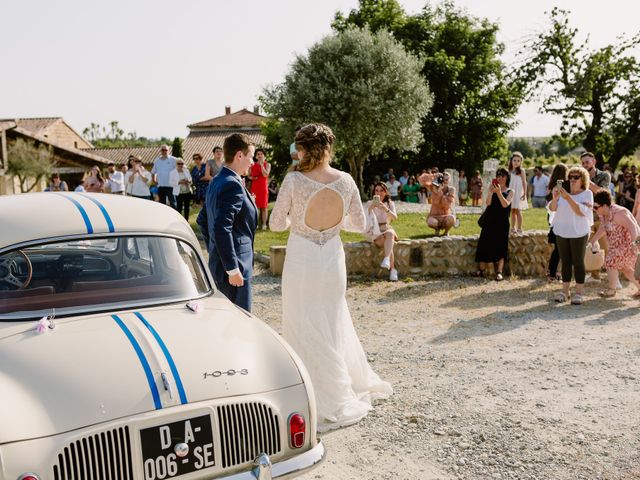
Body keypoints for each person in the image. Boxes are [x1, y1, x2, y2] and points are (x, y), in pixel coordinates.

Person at [269, 123, 392, 432]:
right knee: (332, 319)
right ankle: (339, 390)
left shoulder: (294, 181)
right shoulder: (346, 181)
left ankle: (311, 392)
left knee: (302, 321)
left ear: (304, 150)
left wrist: (295, 219)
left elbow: (274, 225)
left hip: (302, 258)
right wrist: (331, 223)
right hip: (332, 259)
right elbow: (358, 225)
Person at [206, 133, 257, 312]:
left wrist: (214, 248)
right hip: (235, 270)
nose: (252, 162)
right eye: (250, 157)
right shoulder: (232, 184)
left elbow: (203, 220)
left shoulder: (216, 181)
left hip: (221, 265)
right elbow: (221, 227)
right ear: (239, 155)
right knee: (238, 323)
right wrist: (232, 268)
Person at [549, 166, 593, 305]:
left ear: (583, 179)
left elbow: (580, 212)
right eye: (571, 177)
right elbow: (552, 209)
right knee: (565, 261)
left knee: (578, 262)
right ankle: (565, 291)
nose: (573, 180)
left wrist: (567, 198)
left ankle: (579, 293)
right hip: (562, 231)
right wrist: (555, 198)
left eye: (576, 177)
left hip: (579, 232)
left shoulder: (587, 194)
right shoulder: (563, 193)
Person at [590, 190, 640, 298]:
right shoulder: (603, 214)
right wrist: (594, 240)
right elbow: (604, 227)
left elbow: (633, 227)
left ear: (604, 205)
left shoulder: (618, 213)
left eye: (596, 207)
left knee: (610, 261)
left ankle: (611, 290)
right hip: (617, 245)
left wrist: (634, 243)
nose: (594, 210)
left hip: (629, 243)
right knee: (626, 268)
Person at [474, 168, 513, 281]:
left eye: (503, 176)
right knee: (484, 243)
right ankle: (481, 270)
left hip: (502, 222)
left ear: (507, 177)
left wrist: (499, 192)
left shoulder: (511, 191)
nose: (500, 178)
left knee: (501, 246)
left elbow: (505, 205)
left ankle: (499, 272)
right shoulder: (492, 188)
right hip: (490, 220)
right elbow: (488, 203)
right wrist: (491, 192)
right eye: (498, 176)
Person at [581, 152, 611, 281]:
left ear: (594, 161)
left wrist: (586, 181)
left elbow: (602, 192)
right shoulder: (580, 177)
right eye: (582, 163)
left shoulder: (604, 175)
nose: (584, 165)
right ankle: (595, 275)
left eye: (587, 162)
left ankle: (613, 276)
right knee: (591, 247)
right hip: (586, 217)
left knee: (606, 247)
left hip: (602, 217)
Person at [365, 182, 399, 281]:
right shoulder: (369, 203)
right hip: (375, 232)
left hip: (386, 229)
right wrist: (371, 208)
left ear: (385, 192)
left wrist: (385, 209)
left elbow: (395, 217)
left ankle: (388, 261)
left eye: (381, 190)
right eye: (377, 190)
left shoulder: (390, 203)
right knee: (388, 244)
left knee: (390, 233)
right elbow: (364, 219)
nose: (379, 193)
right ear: (374, 192)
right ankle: (392, 268)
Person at [545, 163, 568, 282]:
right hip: (559, 217)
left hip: (551, 217)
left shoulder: (551, 185)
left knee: (558, 249)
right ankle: (553, 273)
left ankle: (553, 271)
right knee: (560, 249)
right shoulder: (561, 186)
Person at [250, 148, 271, 229]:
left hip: (263, 188)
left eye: (261, 154)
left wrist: (262, 165)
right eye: (258, 154)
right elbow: (248, 175)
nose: (259, 155)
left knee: (264, 206)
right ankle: (255, 224)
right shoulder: (252, 165)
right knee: (255, 206)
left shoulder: (268, 164)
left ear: (264, 155)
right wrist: (252, 178)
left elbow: (265, 175)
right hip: (255, 187)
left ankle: (264, 224)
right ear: (256, 156)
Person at [508, 152, 528, 233]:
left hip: (519, 192)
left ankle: (519, 227)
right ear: (511, 161)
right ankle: (513, 227)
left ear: (521, 162)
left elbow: (524, 182)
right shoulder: (509, 171)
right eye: (514, 160)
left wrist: (524, 193)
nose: (516, 162)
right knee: (512, 210)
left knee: (518, 210)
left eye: (518, 161)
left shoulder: (521, 171)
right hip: (511, 192)